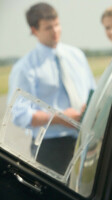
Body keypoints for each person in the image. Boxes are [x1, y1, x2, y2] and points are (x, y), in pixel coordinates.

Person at [7, 2, 96, 175]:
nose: (55, 31)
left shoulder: (77, 55)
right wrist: (58, 118)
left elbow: (93, 91)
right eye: (48, 28)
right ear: (34, 30)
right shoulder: (25, 67)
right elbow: (18, 114)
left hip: (87, 139)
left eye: (57, 25)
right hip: (52, 147)